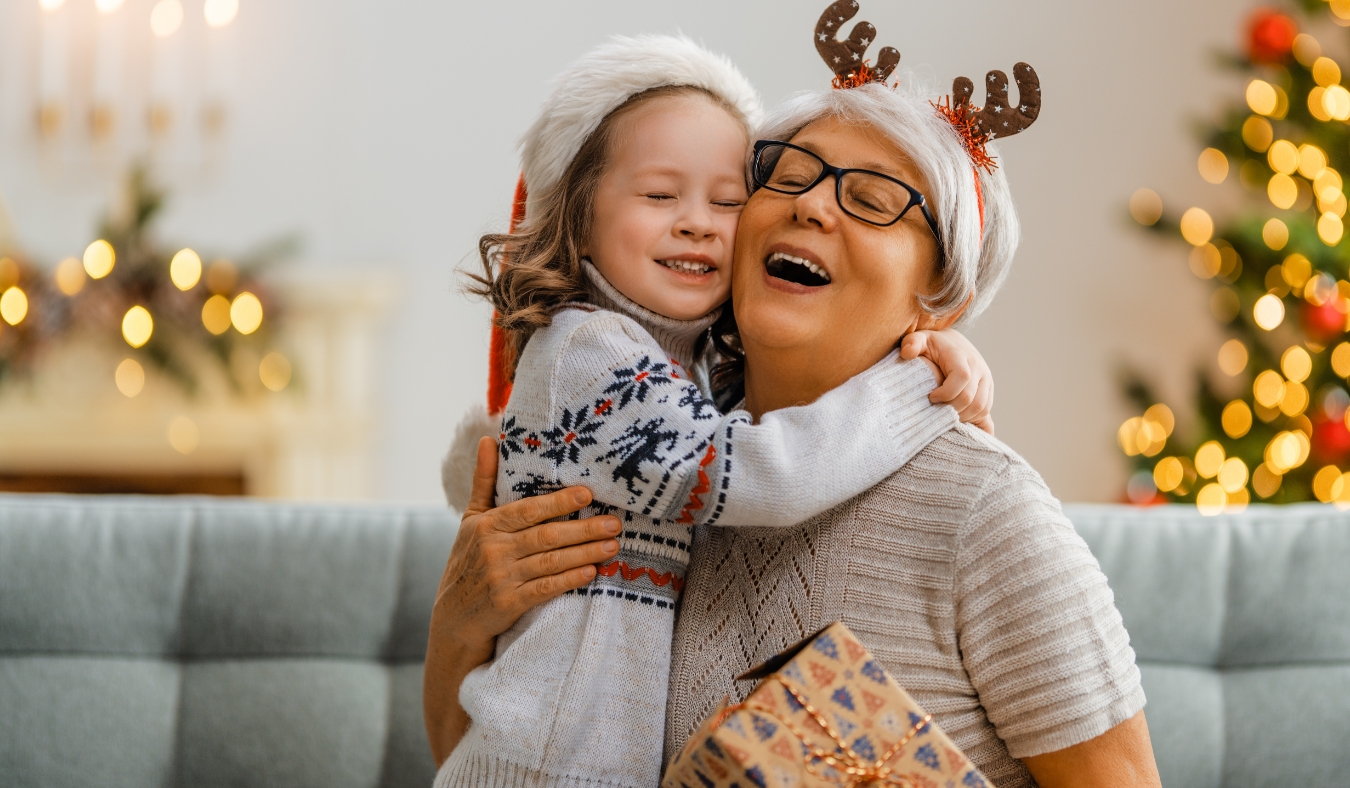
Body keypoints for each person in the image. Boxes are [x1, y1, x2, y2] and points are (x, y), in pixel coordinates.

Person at [426, 14, 1164, 786]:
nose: (814, 205)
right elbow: (470, 754)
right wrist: (459, 623)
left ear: (941, 299)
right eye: (787, 175)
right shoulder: (660, 460)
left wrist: (921, 385)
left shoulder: (986, 509)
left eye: (876, 199)